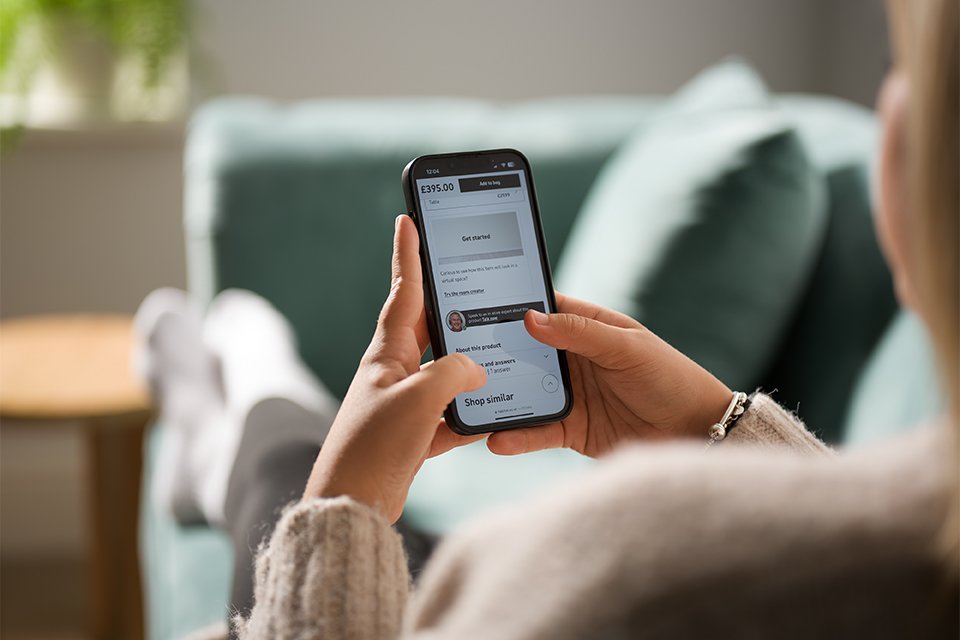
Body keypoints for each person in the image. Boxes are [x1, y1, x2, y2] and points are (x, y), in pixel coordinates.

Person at [148, 0, 958, 637]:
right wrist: (722, 429)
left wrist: (340, 515)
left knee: (288, 471)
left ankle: (237, 383)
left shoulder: (606, 576)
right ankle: (232, 402)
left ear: (898, 164)